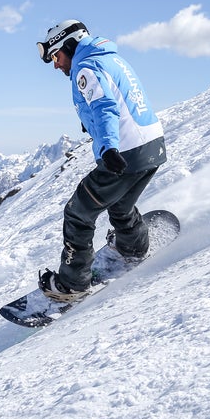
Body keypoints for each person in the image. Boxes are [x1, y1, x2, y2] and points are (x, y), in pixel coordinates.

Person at [35, 20, 167, 302]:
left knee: (78, 212)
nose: (56, 65)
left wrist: (108, 147)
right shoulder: (111, 59)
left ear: (70, 45)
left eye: (56, 56)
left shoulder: (86, 67)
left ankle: (72, 284)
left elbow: (104, 106)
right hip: (152, 145)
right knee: (120, 203)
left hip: (124, 150)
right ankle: (132, 246)